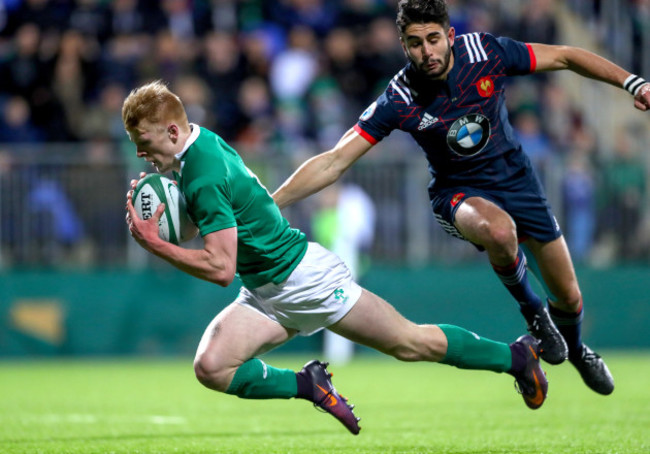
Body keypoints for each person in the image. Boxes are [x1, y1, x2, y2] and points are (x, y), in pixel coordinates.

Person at [123, 80, 548, 435]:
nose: (141, 154)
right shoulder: (194, 148)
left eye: (145, 143)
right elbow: (210, 220)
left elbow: (220, 269)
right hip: (265, 288)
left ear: (174, 133)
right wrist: (166, 216)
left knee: (410, 342)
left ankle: (515, 357)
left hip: (303, 280)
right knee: (213, 367)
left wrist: (155, 242)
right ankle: (309, 384)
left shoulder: (202, 173)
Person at [272, 0, 650, 397]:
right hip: (457, 195)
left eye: (433, 39)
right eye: (415, 43)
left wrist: (633, 83)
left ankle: (576, 350)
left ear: (450, 36)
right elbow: (334, 161)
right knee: (498, 231)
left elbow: (566, 56)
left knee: (570, 297)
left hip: (519, 183)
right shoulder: (399, 96)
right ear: (404, 46)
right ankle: (533, 314)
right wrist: (272, 201)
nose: (426, 52)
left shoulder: (485, 52)